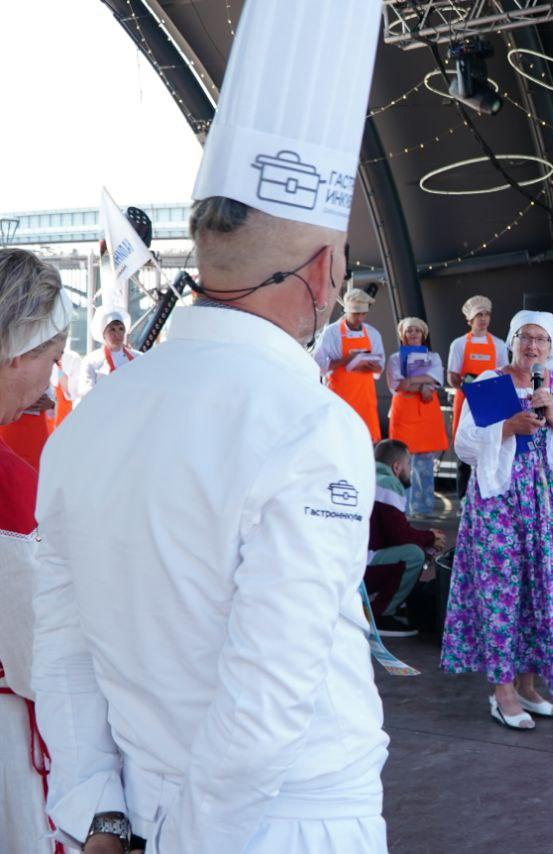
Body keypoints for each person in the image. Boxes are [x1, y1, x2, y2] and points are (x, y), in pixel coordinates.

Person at [33, 3, 391, 849]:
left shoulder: (89, 419)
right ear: (323, 271)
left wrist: (102, 812)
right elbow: (266, 699)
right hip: (284, 825)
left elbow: (63, 645)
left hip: (151, 808)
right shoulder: (311, 426)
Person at [442, 310, 553, 729]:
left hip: (549, 500)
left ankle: (530, 687)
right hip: (501, 503)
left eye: (542, 340)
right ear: (512, 340)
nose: (533, 346)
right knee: (503, 592)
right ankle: (503, 692)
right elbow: (465, 446)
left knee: (541, 588)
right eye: (525, 337)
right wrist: (507, 427)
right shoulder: (491, 382)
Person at [0, 249, 83, 854]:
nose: (50, 383)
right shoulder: (10, 487)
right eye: (50, 361)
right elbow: (42, 660)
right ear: (16, 350)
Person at [368, 439, 445, 637]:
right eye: (409, 464)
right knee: (413, 555)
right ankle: (382, 614)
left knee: (414, 549)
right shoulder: (389, 484)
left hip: (349, 562)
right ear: (397, 466)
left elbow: (390, 531)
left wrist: (425, 540)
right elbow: (399, 535)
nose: (410, 469)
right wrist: (430, 538)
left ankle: (383, 603)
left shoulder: (365, 475)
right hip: (363, 564)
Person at [448, 295, 509, 496]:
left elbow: (504, 375)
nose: (483, 319)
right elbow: (452, 376)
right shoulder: (459, 344)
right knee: (464, 450)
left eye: (486, 314)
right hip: (465, 400)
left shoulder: (499, 345)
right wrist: (466, 385)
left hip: (490, 403)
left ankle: (488, 495)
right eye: (479, 315)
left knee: (490, 448)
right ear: (470, 320)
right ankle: (463, 499)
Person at [387, 317, 448, 517]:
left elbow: (436, 378)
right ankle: (402, 508)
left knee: (425, 464)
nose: (413, 334)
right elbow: (399, 385)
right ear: (402, 335)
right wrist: (422, 383)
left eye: (417, 331)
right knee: (402, 464)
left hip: (425, 415)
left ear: (424, 335)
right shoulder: (395, 358)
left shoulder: (434, 357)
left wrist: (413, 381)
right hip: (403, 414)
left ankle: (424, 508)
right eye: (409, 331)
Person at [313, 287, 385, 442]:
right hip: (339, 397)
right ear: (346, 311)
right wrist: (346, 360)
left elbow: (380, 366)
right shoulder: (331, 333)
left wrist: (376, 367)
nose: (360, 318)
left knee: (366, 441)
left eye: (363, 314)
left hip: (365, 398)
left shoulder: (373, 334)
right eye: (356, 314)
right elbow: (316, 365)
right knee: (340, 439)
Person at [79, 307, 139, 400]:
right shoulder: (91, 361)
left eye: (121, 329)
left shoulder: (138, 358)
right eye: (112, 329)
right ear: (103, 334)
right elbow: (85, 392)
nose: (117, 334)